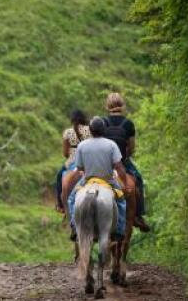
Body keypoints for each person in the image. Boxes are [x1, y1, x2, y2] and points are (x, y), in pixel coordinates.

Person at [67, 116, 127, 241]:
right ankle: (120, 230)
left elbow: (79, 167)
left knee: (72, 199)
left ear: (90, 130)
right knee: (121, 201)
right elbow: (119, 166)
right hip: (108, 180)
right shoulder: (111, 144)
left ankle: (74, 225)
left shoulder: (82, 145)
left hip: (87, 180)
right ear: (104, 129)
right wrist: (124, 182)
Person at [102, 93, 150, 232]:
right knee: (138, 180)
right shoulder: (128, 124)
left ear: (107, 106)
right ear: (122, 105)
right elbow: (132, 147)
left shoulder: (103, 122)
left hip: (106, 163)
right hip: (122, 162)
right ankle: (138, 216)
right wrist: (125, 156)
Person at [55, 110, 91, 214]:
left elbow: (65, 153)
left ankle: (60, 205)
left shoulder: (68, 132)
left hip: (72, 161)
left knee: (59, 176)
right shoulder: (90, 130)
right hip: (87, 161)